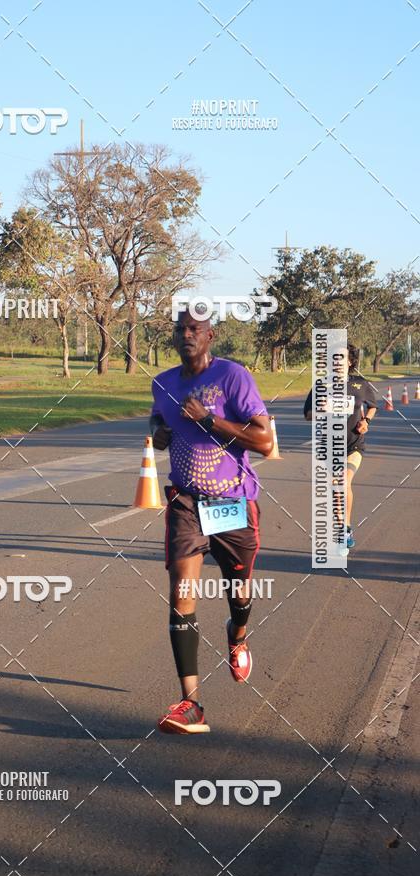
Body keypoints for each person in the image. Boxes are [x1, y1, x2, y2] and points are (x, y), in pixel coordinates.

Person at [150, 310, 273, 734]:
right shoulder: (163, 382)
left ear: (209, 336)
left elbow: (263, 440)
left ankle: (237, 633)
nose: (186, 335)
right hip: (186, 502)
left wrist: (209, 420)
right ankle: (192, 705)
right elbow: (157, 416)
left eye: (194, 330)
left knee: (239, 595)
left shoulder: (233, 377)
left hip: (233, 503)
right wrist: (159, 431)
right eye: (180, 329)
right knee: (182, 591)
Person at [304, 343, 377, 550]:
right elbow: (308, 415)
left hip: (354, 444)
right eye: (333, 358)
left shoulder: (360, 384)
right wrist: (321, 409)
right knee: (336, 488)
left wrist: (366, 422)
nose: (336, 361)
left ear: (350, 361)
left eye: (341, 357)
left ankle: (345, 529)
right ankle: (342, 526)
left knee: (344, 481)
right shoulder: (320, 385)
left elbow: (373, 406)